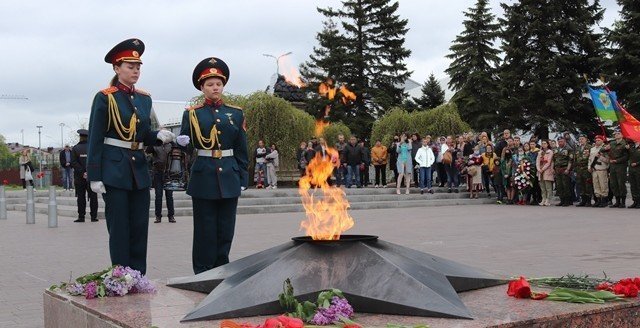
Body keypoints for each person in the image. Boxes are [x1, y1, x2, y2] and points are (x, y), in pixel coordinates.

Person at [87, 39, 174, 275]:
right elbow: (95, 137)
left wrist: (158, 136)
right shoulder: (106, 97)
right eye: (130, 66)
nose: (135, 70)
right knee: (119, 229)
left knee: (139, 227)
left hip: (137, 169)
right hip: (114, 169)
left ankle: (138, 276)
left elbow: (142, 134)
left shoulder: (144, 99)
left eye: (138, 66)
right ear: (117, 68)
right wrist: (94, 175)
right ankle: (121, 276)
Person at [176, 56, 248, 274]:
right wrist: (183, 143)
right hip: (204, 173)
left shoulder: (235, 113)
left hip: (229, 173)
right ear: (202, 87)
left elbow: (241, 148)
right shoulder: (192, 113)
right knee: (205, 229)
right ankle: (203, 271)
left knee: (226, 229)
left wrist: (243, 177)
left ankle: (221, 268)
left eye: (218, 84)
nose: (215, 88)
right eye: (210, 84)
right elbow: (186, 146)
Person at [71, 129, 98, 222]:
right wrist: (89, 172)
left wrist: (83, 172)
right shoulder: (92, 147)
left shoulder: (75, 148)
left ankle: (81, 216)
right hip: (92, 176)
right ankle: (94, 217)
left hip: (79, 177)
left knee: (81, 197)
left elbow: (73, 162)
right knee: (93, 196)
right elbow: (96, 160)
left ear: (80, 137)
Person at [146, 142, 175, 223]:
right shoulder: (155, 144)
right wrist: (153, 141)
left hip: (169, 173)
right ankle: (158, 216)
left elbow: (178, 150)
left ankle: (171, 216)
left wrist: (172, 141)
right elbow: (148, 150)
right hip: (158, 172)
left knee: (169, 195)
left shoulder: (171, 144)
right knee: (158, 196)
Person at [606, 131, 629, 208]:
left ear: (622, 135)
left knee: (621, 183)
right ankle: (617, 201)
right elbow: (602, 150)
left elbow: (626, 156)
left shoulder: (625, 143)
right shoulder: (612, 143)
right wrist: (605, 148)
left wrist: (617, 160)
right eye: (615, 134)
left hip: (621, 166)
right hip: (612, 166)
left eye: (618, 133)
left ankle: (623, 202)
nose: (616, 135)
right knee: (613, 184)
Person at [588, 135, 609, 207]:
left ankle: (604, 201)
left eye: (599, 140)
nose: (597, 141)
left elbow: (607, 160)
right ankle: (598, 200)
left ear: (602, 140)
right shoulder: (592, 149)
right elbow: (590, 159)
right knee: (596, 185)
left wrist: (600, 156)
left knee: (603, 185)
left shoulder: (605, 149)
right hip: (594, 169)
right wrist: (589, 167)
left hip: (602, 169)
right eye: (596, 140)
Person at [573, 135, 592, 207]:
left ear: (586, 139)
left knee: (587, 185)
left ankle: (588, 201)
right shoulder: (578, 148)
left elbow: (591, 158)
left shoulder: (590, 147)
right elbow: (575, 159)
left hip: (586, 168)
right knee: (580, 185)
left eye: (582, 139)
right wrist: (575, 169)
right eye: (579, 139)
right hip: (579, 169)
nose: (581, 140)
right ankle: (583, 200)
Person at [536, 140, 554, 206]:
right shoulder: (540, 152)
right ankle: (543, 199)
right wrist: (538, 168)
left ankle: (548, 199)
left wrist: (543, 169)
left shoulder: (550, 152)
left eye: (545, 143)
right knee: (542, 187)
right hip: (540, 171)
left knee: (548, 187)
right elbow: (537, 161)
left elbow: (549, 162)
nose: (543, 145)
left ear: (547, 144)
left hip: (547, 170)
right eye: (542, 143)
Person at [627, 139, 640, 208]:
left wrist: (637, 163)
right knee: (633, 186)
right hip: (631, 169)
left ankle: (639, 202)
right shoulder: (631, 147)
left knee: (638, 185)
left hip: (638, 169)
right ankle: (635, 201)